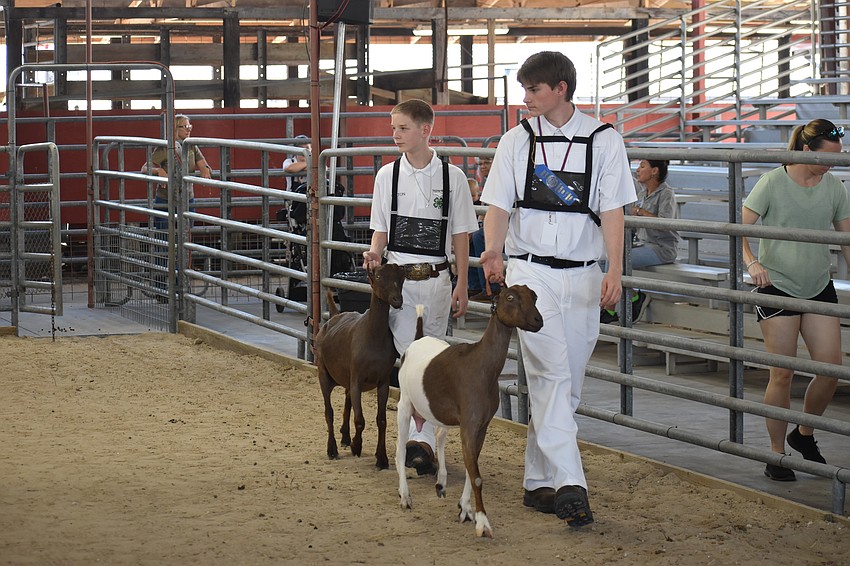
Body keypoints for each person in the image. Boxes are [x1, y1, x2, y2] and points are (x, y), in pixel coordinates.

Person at [479, 51, 635, 528]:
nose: (525, 98)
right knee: (549, 377)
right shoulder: (515, 141)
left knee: (566, 385)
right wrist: (492, 251)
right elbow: (498, 205)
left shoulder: (605, 140)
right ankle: (571, 484)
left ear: (560, 89)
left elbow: (613, 211)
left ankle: (537, 481)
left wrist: (615, 268)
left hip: (586, 273)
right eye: (525, 89)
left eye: (534, 90)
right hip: (532, 276)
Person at [362, 99, 478, 475]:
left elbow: (460, 233)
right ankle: (418, 438)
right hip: (399, 282)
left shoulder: (452, 177)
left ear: (426, 129)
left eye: (403, 128)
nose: (395, 135)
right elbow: (381, 227)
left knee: (428, 356)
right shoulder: (387, 176)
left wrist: (462, 281)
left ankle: (421, 439)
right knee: (407, 357)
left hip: (436, 280)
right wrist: (374, 253)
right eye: (393, 127)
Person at [742, 118, 850, 482]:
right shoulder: (772, 182)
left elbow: (847, 239)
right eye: (827, 157)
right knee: (783, 373)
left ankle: (803, 434)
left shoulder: (834, 186)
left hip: (818, 283)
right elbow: (739, 227)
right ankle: (776, 455)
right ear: (806, 151)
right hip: (776, 283)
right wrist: (753, 262)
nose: (832, 164)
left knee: (831, 369)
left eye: (838, 157)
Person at [600, 159, 679, 323]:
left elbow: (666, 224)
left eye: (642, 166)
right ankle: (634, 297)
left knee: (617, 263)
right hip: (642, 245)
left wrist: (641, 213)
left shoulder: (666, 194)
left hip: (661, 248)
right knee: (603, 261)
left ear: (654, 171)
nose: (638, 170)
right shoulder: (642, 194)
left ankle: (611, 310)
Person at [145, 114, 212, 230]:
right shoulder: (165, 147)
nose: (188, 129)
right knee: (165, 237)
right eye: (185, 126)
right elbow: (145, 168)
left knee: (186, 234)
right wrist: (158, 170)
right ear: (175, 128)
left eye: (189, 126)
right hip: (166, 198)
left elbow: (203, 164)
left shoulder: (191, 146)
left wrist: (205, 169)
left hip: (187, 197)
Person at [470, 155, 501, 300]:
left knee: (478, 236)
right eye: (480, 163)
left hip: (506, 225)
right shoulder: (488, 181)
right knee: (469, 235)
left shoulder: (500, 178)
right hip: (491, 222)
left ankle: (490, 288)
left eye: (487, 162)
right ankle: (473, 286)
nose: (483, 166)